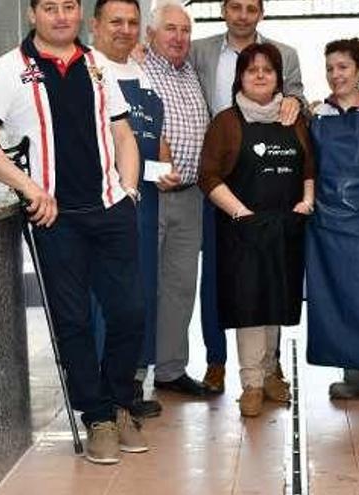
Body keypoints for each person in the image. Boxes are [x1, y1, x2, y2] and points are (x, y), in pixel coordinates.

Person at [0, 0, 147, 465]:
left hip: (110, 210)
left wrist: (129, 189)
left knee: (129, 312)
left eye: (69, 6)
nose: (61, 15)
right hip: (56, 218)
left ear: (80, 14)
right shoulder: (11, 69)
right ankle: (98, 417)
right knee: (73, 322)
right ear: (32, 14)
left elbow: (123, 134)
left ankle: (121, 401)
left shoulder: (98, 64)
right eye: (50, 7)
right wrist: (29, 189)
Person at [189, 0, 305, 394]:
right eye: (234, 7)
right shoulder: (199, 50)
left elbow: (300, 114)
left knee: (273, 287)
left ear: (261, 12)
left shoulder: (285, 55)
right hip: (227, 198)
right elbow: (163, 57)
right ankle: (219, 362)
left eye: (250, 8)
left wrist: (297, 102)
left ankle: (270, 370)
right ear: (223, 10)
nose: (242, 14)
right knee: (227, 284)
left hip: (279, 216)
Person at [305, 38, 359, 398]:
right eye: (330, 68)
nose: (335, 75)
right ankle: (353, 375)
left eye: (343, 67)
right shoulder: (316, 116)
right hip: (326, 224)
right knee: (337, 297)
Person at [90, 0, 164, 419]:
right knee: (107, 299)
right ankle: (102, 389)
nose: (124, 29)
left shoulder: (141, 73)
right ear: (95, 24)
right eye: (115, 21)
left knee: (140, 295)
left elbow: (146, 139)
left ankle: (129, 382)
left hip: (144, 200)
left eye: (133, 22)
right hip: (105, 204)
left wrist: (159, 171)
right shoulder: (88, 70)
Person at [141, 0, 214, 397]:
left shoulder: (191, 73)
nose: (179, 37)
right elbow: (137, 136)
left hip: (190, 197)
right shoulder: (137, 70)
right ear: (150, 35)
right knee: (140, 284)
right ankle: (133, 375)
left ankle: (170, 369)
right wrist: (156, 171)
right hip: (149, 195)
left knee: (181, 286)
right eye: (170, 29)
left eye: (185, 30)